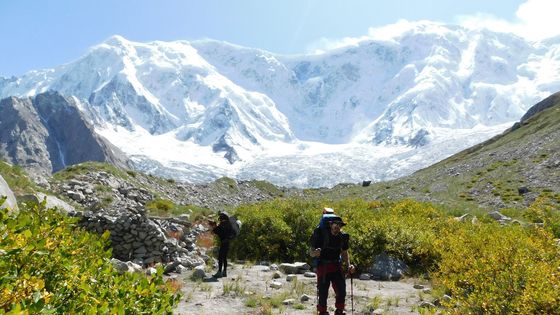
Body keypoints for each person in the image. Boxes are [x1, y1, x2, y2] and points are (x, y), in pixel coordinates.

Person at [310, 215, 355, 315]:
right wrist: (315, 253)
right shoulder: (321, 236)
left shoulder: (342, 237)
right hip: (323, 266)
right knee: (323, 292)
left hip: (336, 266)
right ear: (330, 225)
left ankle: (339, 311)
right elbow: (311, 252)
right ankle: (322, 312)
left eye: (339, 225)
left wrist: (349, 265)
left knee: (341, 290)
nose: (337, 227)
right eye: (335, 224)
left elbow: (344, 252)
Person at [209, 212, 234, 278]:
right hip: (228, 243)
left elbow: (213, 232)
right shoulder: (229, 225)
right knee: (224, 258)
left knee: (220, 258)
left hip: (223, 243)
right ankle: (224, 272)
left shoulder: (221, 225)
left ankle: (219, 272)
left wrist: (213, 226)